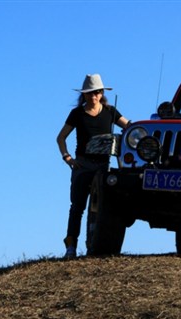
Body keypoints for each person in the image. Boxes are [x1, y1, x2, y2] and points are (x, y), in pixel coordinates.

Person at [56, 74, 130, 259]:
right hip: (82, 166)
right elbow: (61, 137)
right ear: (84, 95)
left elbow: (129, 126)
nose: (93, 96)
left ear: (102, 93)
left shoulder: (110, 111)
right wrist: (67, 158)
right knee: (77, 207)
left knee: (101, 208)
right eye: (90, 93)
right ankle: (71, 246)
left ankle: (95, 247)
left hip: (103, 166)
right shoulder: (77, 114)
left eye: (97, 92)